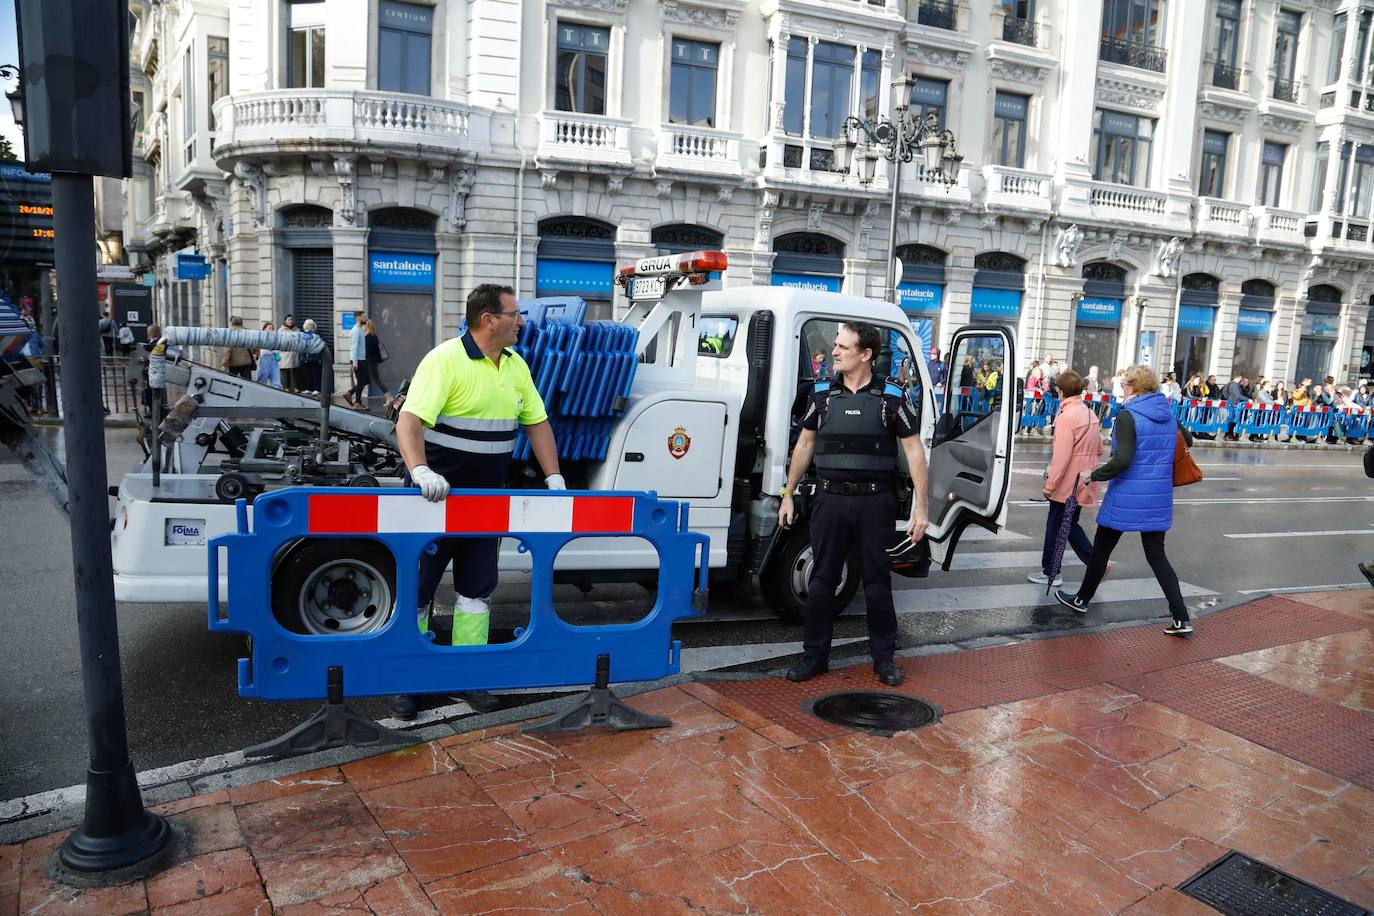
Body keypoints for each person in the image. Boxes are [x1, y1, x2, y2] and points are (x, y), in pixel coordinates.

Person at [390, 284, 565, 720]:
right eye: (514, 314)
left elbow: (537, 423)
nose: (521, 321)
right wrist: (420, 471)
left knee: (476, 593)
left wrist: (554, 477)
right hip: (434, 501)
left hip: (485, 504)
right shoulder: (444, 359)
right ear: (489, 319)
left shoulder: (515, 365)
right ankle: (407, 678)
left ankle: (470, 675)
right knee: (418, 592)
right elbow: (409, 423)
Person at [777, 322, 929, 688]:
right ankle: (814, 657)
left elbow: (913, 450)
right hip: (829, 500)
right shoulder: (821, 394)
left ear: (866, 354)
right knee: (822, 580)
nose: (834, 351)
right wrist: (788, 493)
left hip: (875, 502)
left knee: (877, 582)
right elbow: (805, 445)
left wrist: (920, 507)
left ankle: (884, 659)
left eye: (843, 346)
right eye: (835, 345)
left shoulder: (891, 396)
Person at [1056, 366, 1195, 636]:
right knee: (1157, 556)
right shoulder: (1167, 413)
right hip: (1157, 496)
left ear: (1132, 387)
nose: (1121, 388)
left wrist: (1092, 475)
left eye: (1123, 384)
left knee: (1102, 550)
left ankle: (1082, 600)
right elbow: (1188, 440)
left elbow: (1123, 459)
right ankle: (1181, 617)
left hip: (1128, 495)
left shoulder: (1128, 416)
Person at [1031, 370, 1102, 587]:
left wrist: (1050, 485)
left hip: (1067, 483)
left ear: (1061, 392)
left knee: (1057, 525)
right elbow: (1099, 448)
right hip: (1085, 480)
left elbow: (1061, 458)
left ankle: (1058, 571)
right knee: (1068, 525)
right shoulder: (1090, 414)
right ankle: (1064, 569)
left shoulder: (1066, 418)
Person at [347, 318, 393, 410]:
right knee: (365, 381)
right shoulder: (373, 336)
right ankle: (350, 394)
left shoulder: (367, 338)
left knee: (372, 380)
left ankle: (389, 398)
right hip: (372, 363)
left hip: (368, 363)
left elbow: (365, 352)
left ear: (366, 326)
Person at [298, 319, 323, 394]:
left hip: (314, 358)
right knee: (307, 374)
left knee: (315, 374)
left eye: (311, 325)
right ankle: (308, 388)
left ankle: (317, 388)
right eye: (308, 325)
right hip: (306, 358)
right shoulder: (303, 335)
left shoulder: (317, 335)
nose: (310, 326)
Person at [278, 314, 301, 392]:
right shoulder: (281, 330)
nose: (290, 321)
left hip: (294, 353)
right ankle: (285, 387)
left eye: (291, 320)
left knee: (294, 371)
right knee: (285, 371)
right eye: (289, 320)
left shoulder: (297, 330)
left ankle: (295, 387)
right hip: (285, 353)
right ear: (285, 321)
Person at [348, 309, 367, 403]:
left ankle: (350, 394)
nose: (365, 318)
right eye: (363, 316)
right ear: (358, 318)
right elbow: (354, 347)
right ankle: (357, 402)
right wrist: (355, 362)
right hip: (358, 360)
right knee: (361, 382)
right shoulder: (356, 331)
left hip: (361, 359)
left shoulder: (360, 330)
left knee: (364, 381)